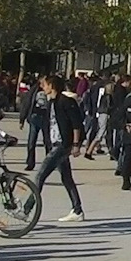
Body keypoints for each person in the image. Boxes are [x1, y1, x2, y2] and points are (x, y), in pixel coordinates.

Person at [29, 73, 87, 223]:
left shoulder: (66, 102)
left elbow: (76, 124)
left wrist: (75, 144)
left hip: (63, 144)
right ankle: (77, 209)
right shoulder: (51, 102)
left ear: (52, 86)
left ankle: (27, 208)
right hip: (54, 144)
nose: (43, 87)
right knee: (66, 178)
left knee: (40, 175)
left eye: (45, 84)